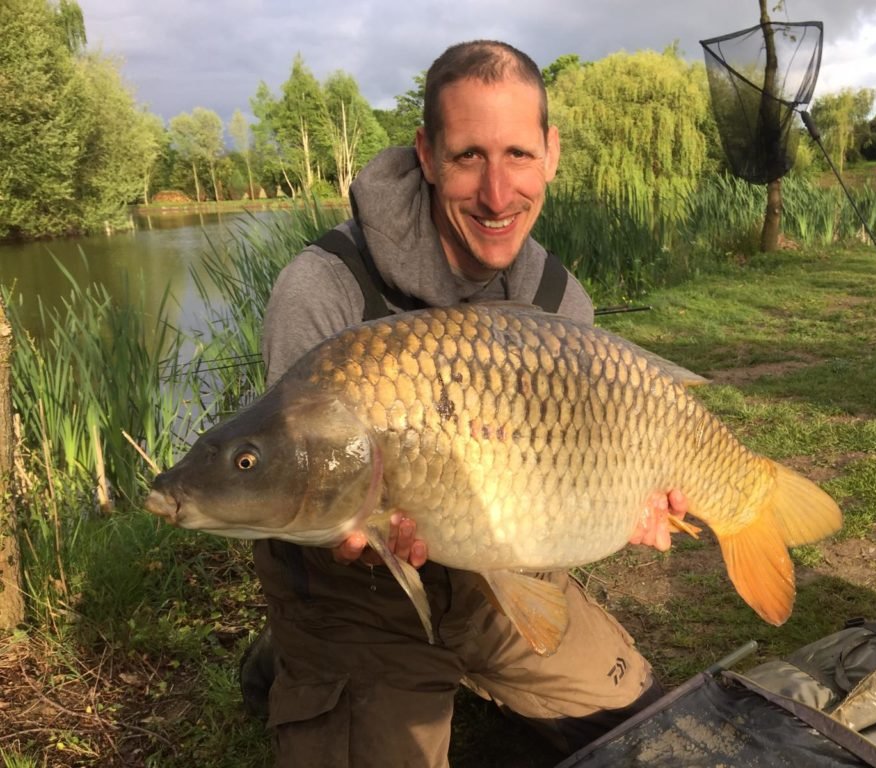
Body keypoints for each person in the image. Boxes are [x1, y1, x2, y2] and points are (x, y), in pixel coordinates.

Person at [249, 39, 687, 767]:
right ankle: (289, 661)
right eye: (467, 157)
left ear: (551, 152)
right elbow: (288, 474)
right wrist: (349, 534)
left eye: (517, 154)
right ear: (425, 153)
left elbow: (571, 472)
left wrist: (628, 496)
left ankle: (474, 669)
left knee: (652, 734)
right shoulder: (321, 290)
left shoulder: (557, 298)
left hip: (500, 586)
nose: (496, 194)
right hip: (359, 602)